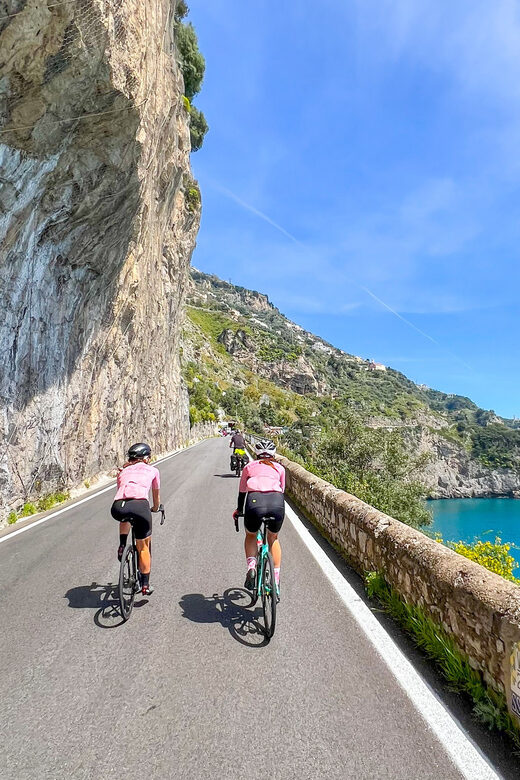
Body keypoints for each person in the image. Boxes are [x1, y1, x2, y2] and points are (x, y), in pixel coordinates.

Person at [232, 438, 285, 599]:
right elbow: (282, 490)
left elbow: (242, 493)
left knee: (251, 535)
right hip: (276, 502)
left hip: (254, 502)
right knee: (273, 538)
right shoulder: (280, 468)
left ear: (256, 453)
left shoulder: (249, 467)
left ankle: (252, 567)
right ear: (273, 455)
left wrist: (239, 511)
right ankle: (275, 580)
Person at [110, 442, 160, 596]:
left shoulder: (123, 471)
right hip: (140, 507)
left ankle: (122, 545)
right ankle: (145, 585)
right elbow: (155, 494)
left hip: (118, 507)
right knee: (144, 547)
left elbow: (122, 490)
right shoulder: (153, 470)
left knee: (125, 516)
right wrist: (156, 507)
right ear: (146, 458)